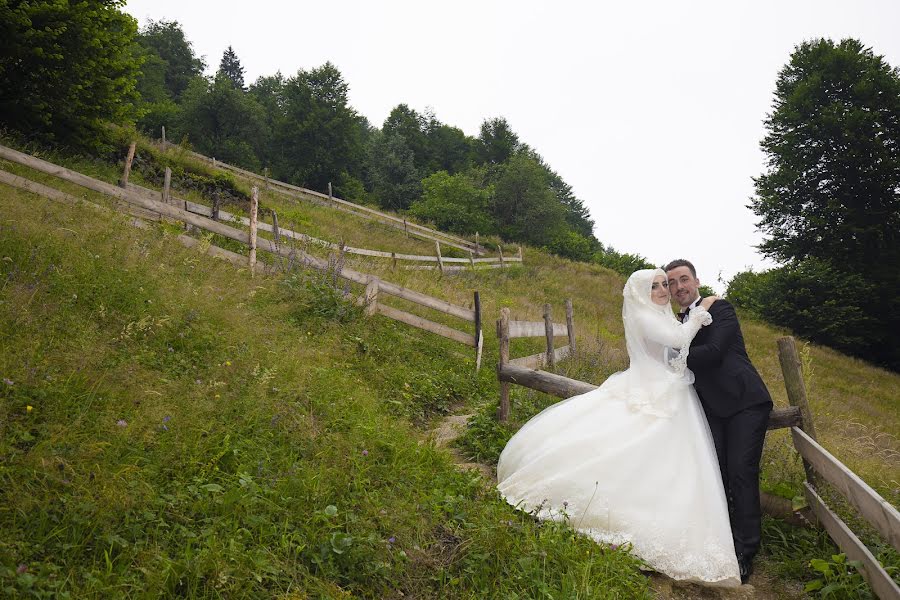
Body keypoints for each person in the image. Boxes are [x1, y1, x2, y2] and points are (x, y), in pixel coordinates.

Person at [497, 268, 741, 586]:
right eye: (655, 286)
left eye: (663, 284)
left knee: (667, 459)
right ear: (640, 293)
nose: (663, 290)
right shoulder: (643, 317)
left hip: (669, 387)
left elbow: (676, 348)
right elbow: (680, 340)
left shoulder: (659, 314)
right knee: (630, 444)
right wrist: (703, 310)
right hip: (651, 387)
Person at [665, 259, 773, 584]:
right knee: (719, 474)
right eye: (672, 283)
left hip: (744, 401)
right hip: (710, 408)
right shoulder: (675, 324)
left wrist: (668, 357)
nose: (679, 287)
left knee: (741, 472)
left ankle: (745, 553)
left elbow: (713, 351)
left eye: (684, 279)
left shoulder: (720, 309)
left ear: (696, 281)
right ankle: (724, 541)